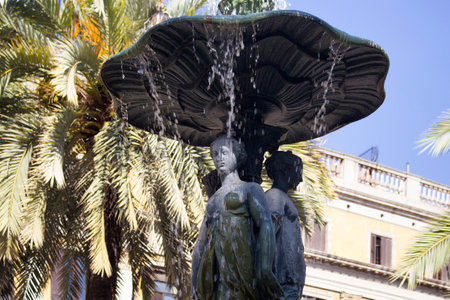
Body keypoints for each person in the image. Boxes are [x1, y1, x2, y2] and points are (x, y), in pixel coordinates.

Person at [192, 135, 283, 300]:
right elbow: (200, 244)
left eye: (225, 152)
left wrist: (265, 266)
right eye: (215, 154)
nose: (219, 158)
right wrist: (194, 284)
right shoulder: (212, 200)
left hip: (241, 258)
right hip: (215, 262)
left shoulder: (250, 189)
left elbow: (265, 224)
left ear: (238, 155)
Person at [265, 151, 306, 300]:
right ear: (284, 170)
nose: (300, 179)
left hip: (288, 282)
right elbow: (267, 234)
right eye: (298, 171)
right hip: (281, 280)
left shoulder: (279, 196)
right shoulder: (275, 196)